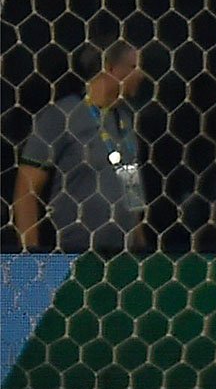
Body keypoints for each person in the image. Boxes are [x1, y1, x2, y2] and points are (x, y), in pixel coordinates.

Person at [13, 40, 149, 254]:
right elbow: (26, 190)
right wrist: (31, 255)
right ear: (110, 68)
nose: (141, 75)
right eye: (134, 67)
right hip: (72, 255)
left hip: (124, 258)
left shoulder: (125, 120)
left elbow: (131, 190)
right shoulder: (61, 115)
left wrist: (141, 246)